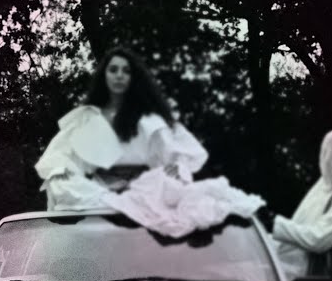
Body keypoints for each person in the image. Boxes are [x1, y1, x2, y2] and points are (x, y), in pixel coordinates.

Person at [34, 47, 208, 210]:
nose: (119, 75)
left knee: (174, 183)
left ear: (134, 78)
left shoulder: (149, 118)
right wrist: (60, 169)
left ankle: (127, 203)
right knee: (59, 182)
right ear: (104, 75)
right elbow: (59, 153)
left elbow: (180, 152)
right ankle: (113, 203)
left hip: (145, 187)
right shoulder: (88, 117)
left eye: (126, 71)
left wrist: (178, 166)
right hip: (99, 190)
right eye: (113, 70)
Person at [271, 130, 332, 280]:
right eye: (323, 151)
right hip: (292, 265)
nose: (324, 158)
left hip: (315, 277)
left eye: (330, 153)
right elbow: (300, 223)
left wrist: (274, 224)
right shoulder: (326, 183)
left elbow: (318, 240)